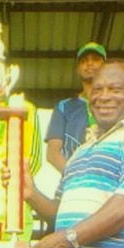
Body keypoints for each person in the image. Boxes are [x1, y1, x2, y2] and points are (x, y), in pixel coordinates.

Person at [7, 60, 124, 248]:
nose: (103, 97)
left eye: (115, 89)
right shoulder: (81, 151)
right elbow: (61, 216)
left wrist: (67, 239)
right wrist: (31, 194)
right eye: (97, 90)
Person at [45, 42, 106, 173]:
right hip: (73, 184)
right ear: (78, 69)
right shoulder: (64, 107)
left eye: (95, 59)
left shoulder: (115, 103)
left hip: (109, 183)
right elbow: (52, 153)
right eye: (84, 61)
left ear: (105, 66)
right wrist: (75, 178)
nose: (89, 64)